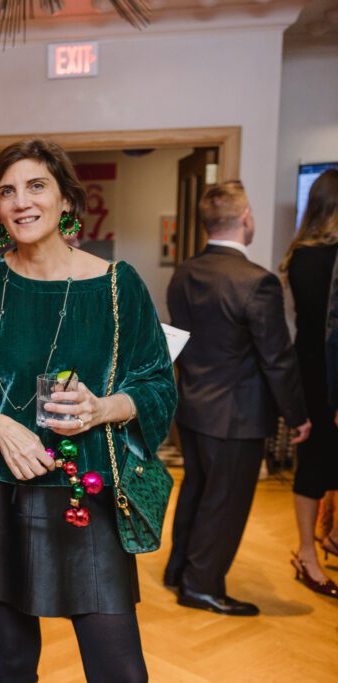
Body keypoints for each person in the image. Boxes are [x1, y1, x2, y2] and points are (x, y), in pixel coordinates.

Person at [0, 138, 176, 683]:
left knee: (119, 669)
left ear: (67, 200)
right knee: (12, 666)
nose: (21, 201)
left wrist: (102, 408)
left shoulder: (117, 285)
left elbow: (158, 384)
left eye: (36, 186)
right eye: (7, 191)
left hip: (86, 494)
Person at [164, 180, 311, 616]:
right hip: (236, 415)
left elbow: (179, 340)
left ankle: (180, 569)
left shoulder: (184, 272)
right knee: (225, 502)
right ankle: (201, 586)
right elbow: (277, 358)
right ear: (245, 218)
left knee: (197, 489)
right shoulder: (257, 281)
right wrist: (297, 416)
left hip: (192, 405)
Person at [279, 168, 338, 598]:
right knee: (319, 465)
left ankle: (315, 544)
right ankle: (310, 552)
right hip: (329, 378)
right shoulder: (326, 259)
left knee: (313, 463)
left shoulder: (298, 255)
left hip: (308, 373)